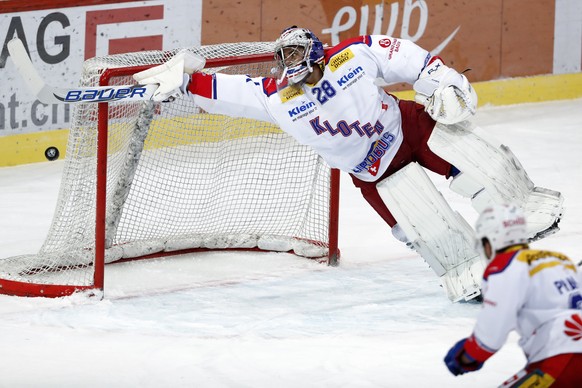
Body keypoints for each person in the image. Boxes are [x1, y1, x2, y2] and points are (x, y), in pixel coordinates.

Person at [133, 26, 562, 302]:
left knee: (478, 159)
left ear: (316, 51)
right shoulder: (277, 98)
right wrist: (186, 84)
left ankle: (525, 204)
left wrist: (441, 80)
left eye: (297, 52)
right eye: (283, 58)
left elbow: (405, 59)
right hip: (376, 172)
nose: (289, 64)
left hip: (407, 127)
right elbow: (233, 91)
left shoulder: (350, 56)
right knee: (432, 232)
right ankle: (469, 271)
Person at [444, 203, 582, 386]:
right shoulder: (559, 259)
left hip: (562, 356)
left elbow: (493, 328)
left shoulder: (504, 267)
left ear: (490, 240)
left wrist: (466, 355)